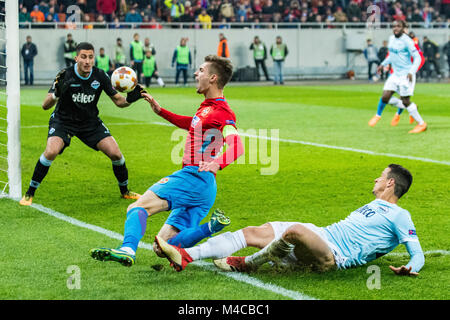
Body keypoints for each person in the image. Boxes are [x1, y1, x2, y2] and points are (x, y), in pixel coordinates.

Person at [90, 55, 245, 267]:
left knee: (138, 208)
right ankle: (212, 226)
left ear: (213, 78)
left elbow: (238, 145)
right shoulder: (208, 107)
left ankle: (127, 249)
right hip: (205, 188)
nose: (196, 73)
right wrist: (161, 111)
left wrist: (218, 163)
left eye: (200, 70)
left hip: (193, 176)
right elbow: (192, 123)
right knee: (162, 246)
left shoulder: (223, 112)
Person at [155, 164, 425, 277]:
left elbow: (418, 254)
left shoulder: (400, 216)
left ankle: (248, 264)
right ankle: (185, 255)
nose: (375, 179)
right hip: (322, 235)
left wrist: (410, 267)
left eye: (380, 176)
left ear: (390, 183)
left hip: (333, 256)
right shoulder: (373, 204)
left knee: (295, 230)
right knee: (253, 231)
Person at [19, 42, 144, 206]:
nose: (87, 61)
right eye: (83, 57)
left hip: (90, 123)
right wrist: (57, 93)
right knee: (51, 151)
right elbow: (45, 105)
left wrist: (130, 99)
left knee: (116, 154)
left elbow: (119, 101)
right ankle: (30, 193)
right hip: (63, 121)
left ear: (94, 59)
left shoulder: (100, 76)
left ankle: (125, 191)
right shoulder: (65, 75)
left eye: (90, 57)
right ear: (76, 58)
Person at [368, 21, 427, 134]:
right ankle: (412, 108)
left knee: (405, 101)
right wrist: (383, 64)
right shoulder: (391, 39)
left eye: (398, 26)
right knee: (385, 97)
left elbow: (418, 58)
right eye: (394, 26)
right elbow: (392, 55)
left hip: (406, 75)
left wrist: (411, 71)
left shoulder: (408, 41)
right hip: (395, 74)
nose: (395, 28)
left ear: (403, 28)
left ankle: (421, 124)